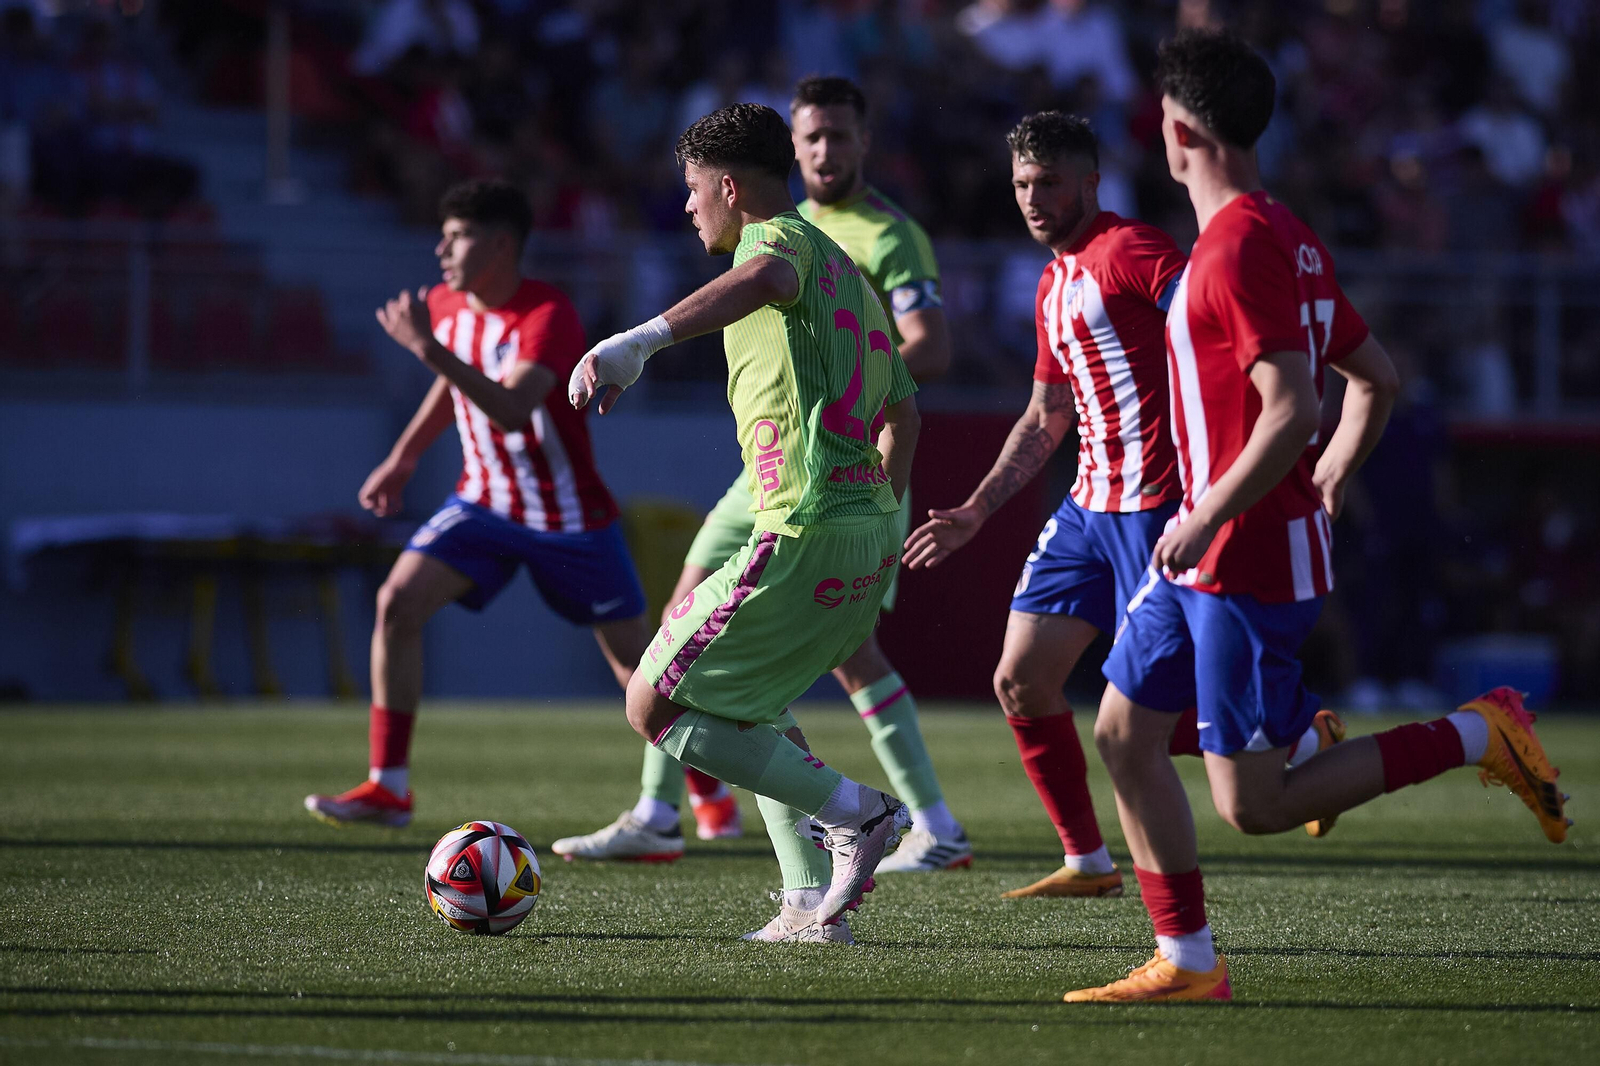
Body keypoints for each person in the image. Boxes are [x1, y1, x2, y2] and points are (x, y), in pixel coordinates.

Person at [1063, 30, 1569, 1003]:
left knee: (1252, 806)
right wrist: (1333, 472)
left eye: (1160, 122)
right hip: (1209, 545)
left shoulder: (1236, 247)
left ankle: (1478, 734)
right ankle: (1188, 959)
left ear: (1180, 133)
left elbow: (1293, 404)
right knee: (1123, 734)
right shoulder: (1280, 234)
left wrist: (1215, 509)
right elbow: (1374, 378)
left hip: (1241, 553)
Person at [903, 111, 1339, 900]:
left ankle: (1301, 733)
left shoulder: (1132, 250)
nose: (1033, 199)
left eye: (1049, 183)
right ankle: (1087, 860)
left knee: (1153, 722)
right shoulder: (1050, 282)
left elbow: (1212, 321)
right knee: (1020, 681)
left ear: (1092, 183)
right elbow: (1046, 415)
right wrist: (975, 510)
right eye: (1022, 185)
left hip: (1159, 508)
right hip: (1085, 511)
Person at [553, 76, 969, 873]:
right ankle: (794, 887)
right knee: (740, 679)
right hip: (832, 501)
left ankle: (872, 814)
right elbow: (908, 414)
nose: (687, 207)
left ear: (728, 186)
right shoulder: (835, 256)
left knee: (659, 695)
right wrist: (883, 506)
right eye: (813, 136)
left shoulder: (789, 242)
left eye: (692, 189)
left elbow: (772, 278)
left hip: (811, 500)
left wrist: (638, 341)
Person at [304, 179, 651, 828]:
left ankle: (711, 796)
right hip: (483, 503)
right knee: (396, 603)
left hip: (568, 517)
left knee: (639, 668)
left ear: (500, 245)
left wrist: (426, 348)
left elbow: (513, 407)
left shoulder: (548, 313)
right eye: (443, 236)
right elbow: (452, 385)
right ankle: (389, 787)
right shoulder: (446, 304)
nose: (441, 250)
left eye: (458, 236)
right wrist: (405, 456)